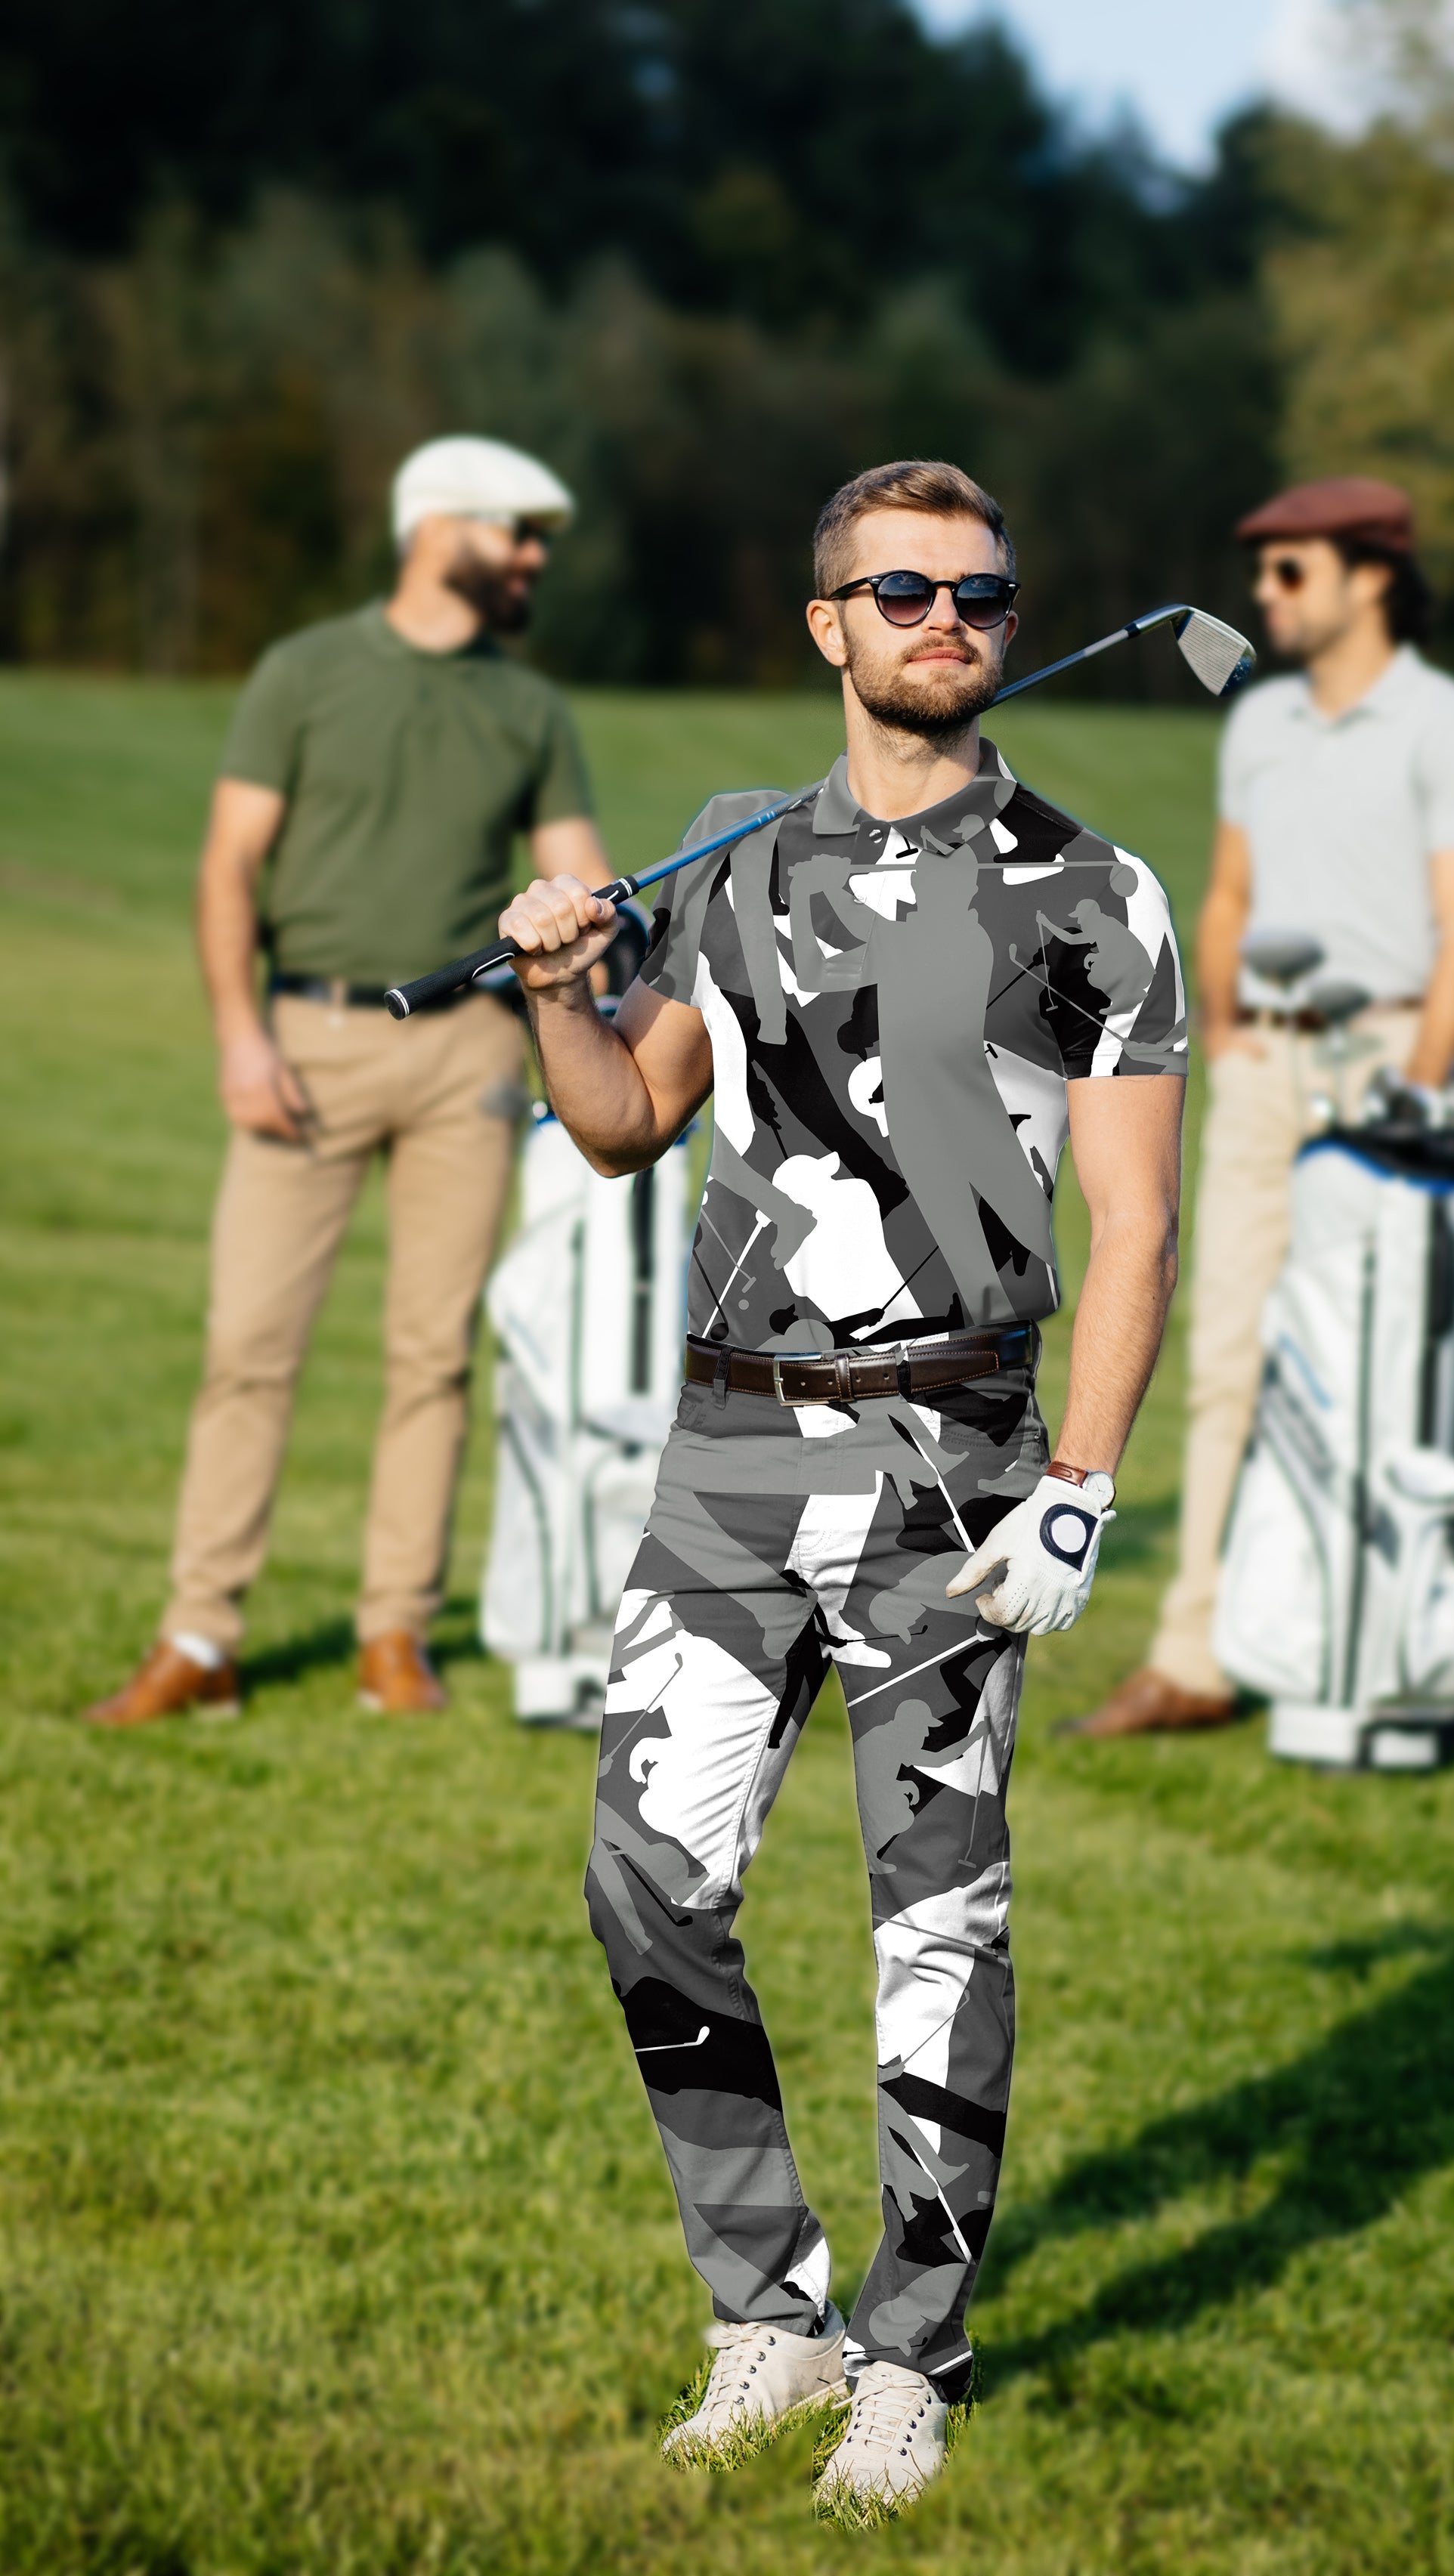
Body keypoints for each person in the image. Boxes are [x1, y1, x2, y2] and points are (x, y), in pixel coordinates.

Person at [496, 459, 1186, 2518]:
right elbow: (624, 1123)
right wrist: (554, 985)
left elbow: (1138, 1226)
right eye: (901, 591)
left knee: (937, 1925)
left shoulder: (1093, 891)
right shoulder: (728, 868)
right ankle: (765, 2307)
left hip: (956, 1466)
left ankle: (910, 2351)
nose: (945, 619)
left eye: (978, 590)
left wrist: (1081, 1482)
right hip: (726, 1451)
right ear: (832, 628)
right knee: (645, 1877)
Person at [85, 435, 610, 1727]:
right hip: (304, 1040)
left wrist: (607, 942)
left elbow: (586, 875)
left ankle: (394, 1638)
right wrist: (238, 1036)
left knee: (432, 1355)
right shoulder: (303, 673)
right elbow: (228, 867)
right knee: (248, 1347)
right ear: (438, 529)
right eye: (517, 532)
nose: (536, 557)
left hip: (471, 1058)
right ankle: (200, 1635)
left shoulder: (530, 707)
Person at [1071, 475, 1454, 1739]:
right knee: (1225, 1363)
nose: (1265, 595)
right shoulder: (1259, 724)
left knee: (1369, 1369)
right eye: (1260, 572)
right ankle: (1198, 1654)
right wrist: (1226, 1031)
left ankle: (1364, 1651)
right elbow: (1226, 897)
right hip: (1263, 1065)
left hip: (1385, 1064)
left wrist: (1416, 1098)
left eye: (1291, 572)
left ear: (1373, 575)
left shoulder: (1452, 725)